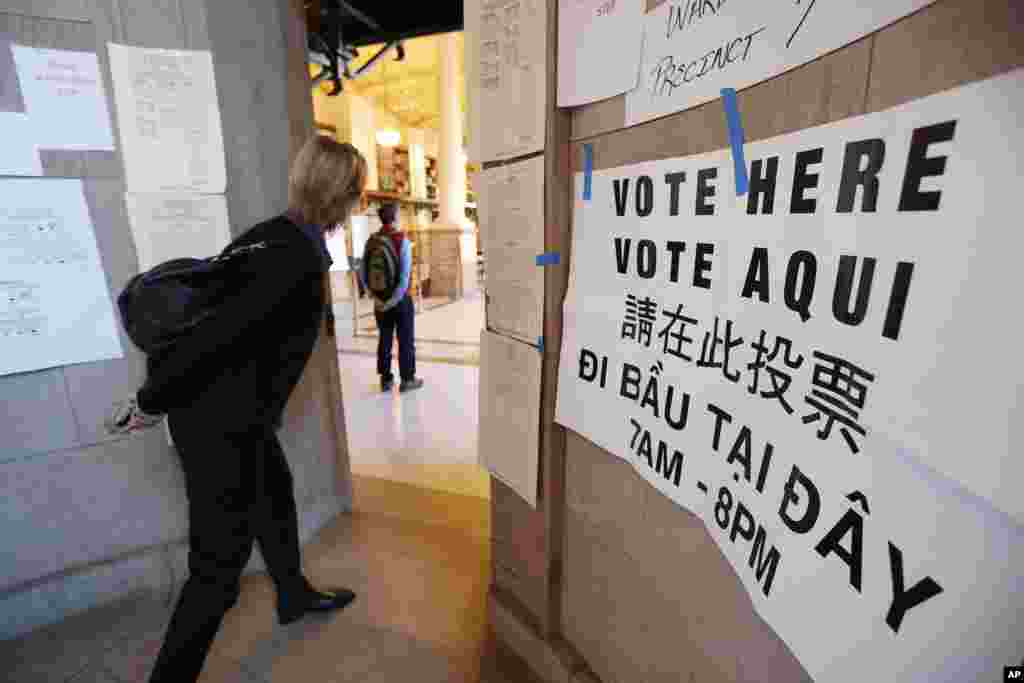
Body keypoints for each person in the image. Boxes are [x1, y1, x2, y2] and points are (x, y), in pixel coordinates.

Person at [108, 135, 368, 683]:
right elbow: (213, 339)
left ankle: (292, 594)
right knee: (217, 573)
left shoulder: (272, 235)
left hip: (238, 414)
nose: (357, 202)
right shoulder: (291, 258)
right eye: (355, 191)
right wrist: (149, 402)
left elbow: (210, 323)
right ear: (340, 195)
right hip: (220, 424)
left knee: (275, 498)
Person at [360, 202, 424, 393]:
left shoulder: (371, 241)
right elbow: (404, 278)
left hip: (380, 300)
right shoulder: (402, 241)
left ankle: (386, 379)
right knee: (405, 339)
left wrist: (376, 298)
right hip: (400, 301)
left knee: (384, 338)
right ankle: (407, 379)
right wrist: (393, 300)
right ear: (395, 218)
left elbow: (363, 272)